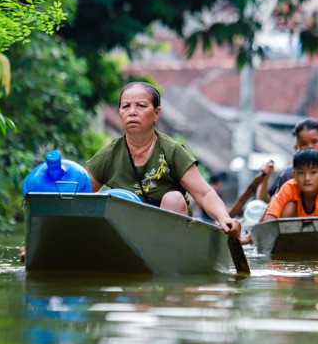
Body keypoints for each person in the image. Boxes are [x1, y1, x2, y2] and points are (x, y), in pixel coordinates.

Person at [86, 81, 240, 236]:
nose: (132, 112)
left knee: (173, 198)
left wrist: (224, 217)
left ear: (156, 114)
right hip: (126, 236)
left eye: (141, 105)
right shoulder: (109, 154)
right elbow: (81, 195)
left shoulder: (172, 150)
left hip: (168, 239)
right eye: (126, 106)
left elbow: (205, 193)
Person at [260, 148, 318, 222]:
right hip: (294, 235)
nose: (307, 178)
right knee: (289, 206)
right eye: (301, 172)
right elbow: (271, 214)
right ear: (294, 175)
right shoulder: (289, 187)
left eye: (313, 172)